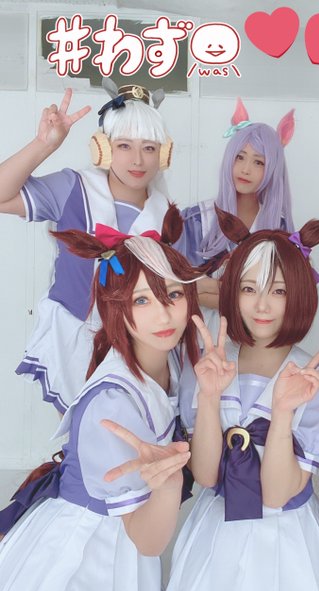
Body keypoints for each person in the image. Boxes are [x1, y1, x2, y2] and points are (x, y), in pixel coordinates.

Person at [142, 209, 319, 591]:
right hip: (216, 535)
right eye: (249, 288)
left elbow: (277, 494)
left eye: (278, 291)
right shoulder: (212, 363)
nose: (262, 305)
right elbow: (208, 475)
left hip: (287, 544)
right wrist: (209, 396)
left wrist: (283, 413)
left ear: (299, 295)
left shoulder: (314, 378)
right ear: (232, 291)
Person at [0, 205, 201, 591]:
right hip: (81, 560)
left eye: (172, 294)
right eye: (142, 300)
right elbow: (148, 540)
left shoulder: (170, 363)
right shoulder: (113, 402)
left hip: (120, 549)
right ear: (116, 309)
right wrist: (169, 483)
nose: (163, 314)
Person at [0, 78, 175, 412]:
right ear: (103, 148)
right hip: (75, 338)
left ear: (163, 154)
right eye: (124, 145)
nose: (138, 160)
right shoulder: (73, 188)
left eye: (149, 148)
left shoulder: (167, 214)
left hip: (140, 346)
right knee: (81, 434)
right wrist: (43, 145)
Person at [175, 97, 295, 308]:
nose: (246, 169)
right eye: (240, 157)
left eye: (258, 162)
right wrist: (245, 294)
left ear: (273, 169)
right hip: (203, 327)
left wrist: (213, 288)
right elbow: (179, 288)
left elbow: (285, 295)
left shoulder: (280, 227)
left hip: (257, 327)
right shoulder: (196, 219)